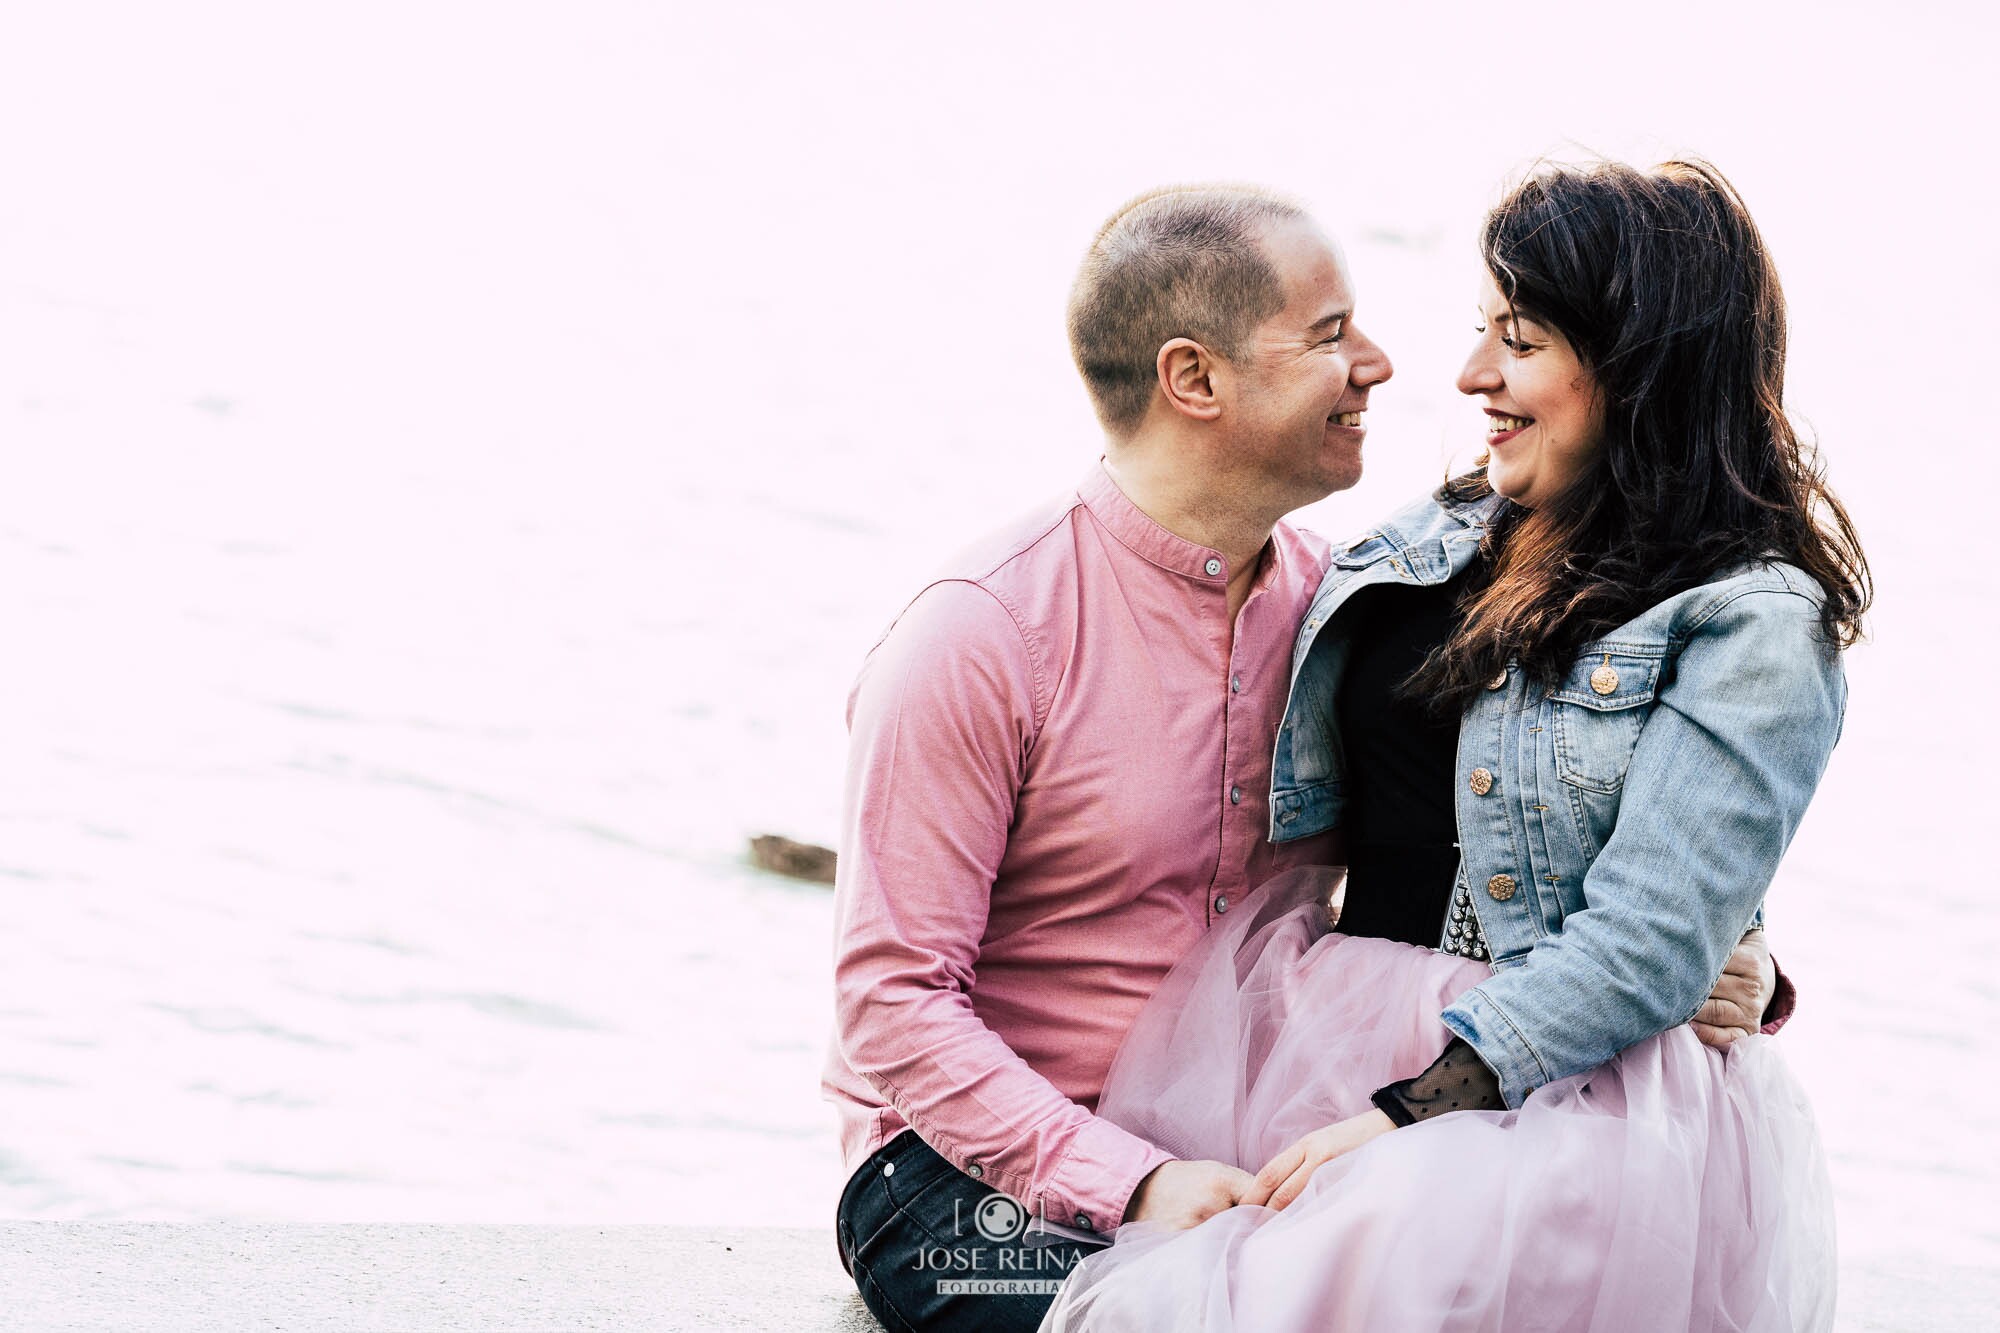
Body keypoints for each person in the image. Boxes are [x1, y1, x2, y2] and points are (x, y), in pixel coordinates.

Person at [823, 183, 1783, 1333]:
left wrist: (1734, 956)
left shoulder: (1352, 612)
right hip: (974, 1180)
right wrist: (1124, 1179)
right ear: (1195, 380)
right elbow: (888, 1005)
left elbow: (1539, 825)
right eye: (1330, 336)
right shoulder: (980, 635)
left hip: (1252, 1140)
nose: (1379, 363)